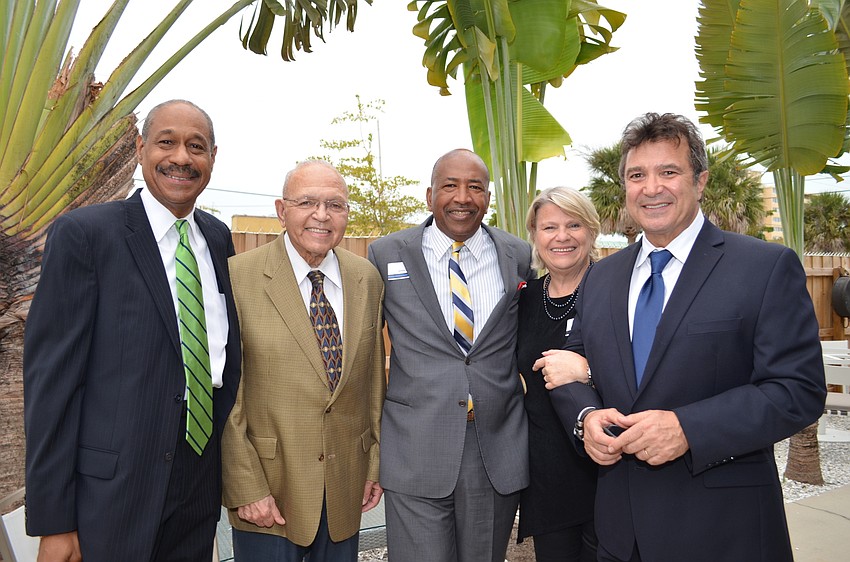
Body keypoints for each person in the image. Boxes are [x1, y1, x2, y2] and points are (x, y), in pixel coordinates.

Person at [547, 112, 827, 562]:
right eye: (637, 175)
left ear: (700, 182)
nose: (651, 187)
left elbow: (798, 390)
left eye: (668, 172)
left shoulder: (764, 268)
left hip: (723, 531)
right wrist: (585, 419)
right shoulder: (601, 277)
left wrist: (688, 429)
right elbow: (573, 363)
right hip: (620, 534)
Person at [23, 99, 242, 561]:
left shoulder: (218, 239)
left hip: (198, 487)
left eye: (196, 146)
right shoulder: (86, 235)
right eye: (167, 142)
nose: (181, 157)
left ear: (213, 158)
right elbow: (52, 389)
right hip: (110, 498)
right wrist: (55, 522)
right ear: (141, 149)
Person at [367, 148, 532, 562]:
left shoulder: (519, 256)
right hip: (415, 447)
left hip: (494, 447)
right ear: (429, 195)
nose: (463, 197)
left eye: (475, 187)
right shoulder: (386, 254)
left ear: (487, 198)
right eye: (450, 186)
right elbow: (365, 351)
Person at [221, 159, 386, 561]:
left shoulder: (366, 278)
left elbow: (372, 386)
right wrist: (246, 487)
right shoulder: (236, 277)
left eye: (336, 205)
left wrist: (373, 466)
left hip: (346, 486)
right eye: (307, 202)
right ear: (281, 210)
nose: (321, 215)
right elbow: (226, 395)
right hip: (269, 493)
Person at [517, 187, 599, 562]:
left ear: (592, 231)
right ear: (534, 235)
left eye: (574, 224)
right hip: (547, 476)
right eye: (550, 227)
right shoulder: (525, 299)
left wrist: (589, 371)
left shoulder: (614, 290)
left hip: (607, 470)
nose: (562, 236)